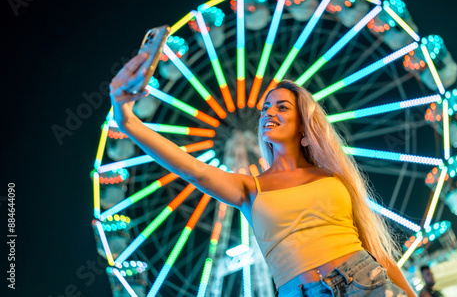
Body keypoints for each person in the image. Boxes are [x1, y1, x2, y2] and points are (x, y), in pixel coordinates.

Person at [110, 52, 416, 296]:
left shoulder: (333, 177)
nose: (269, 112)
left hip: (366, 280)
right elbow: (194, 170)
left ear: (304, 127)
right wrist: (126, 119)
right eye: (266, 107)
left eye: (282, 107)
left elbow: (375, 251)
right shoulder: (249, 188)